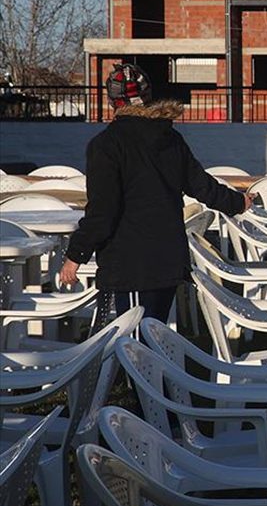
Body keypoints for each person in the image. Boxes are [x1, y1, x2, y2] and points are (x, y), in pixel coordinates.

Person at [58, 64, 252, 325]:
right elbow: (201, 185)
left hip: (131, 264)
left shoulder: (107, 145)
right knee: (152, 341)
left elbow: (102, 212)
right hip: (168, 260)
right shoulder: (169, 137)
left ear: (112, 101)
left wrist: (75, 256)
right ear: (148, 96)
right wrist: (238, 202)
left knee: (135, 347)